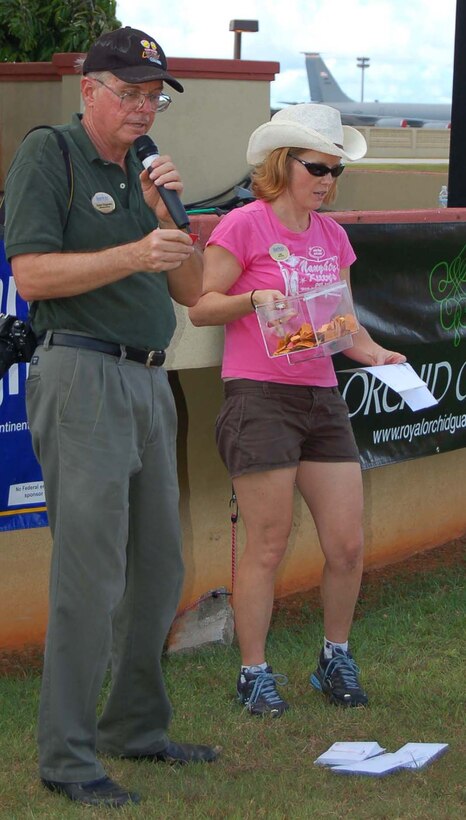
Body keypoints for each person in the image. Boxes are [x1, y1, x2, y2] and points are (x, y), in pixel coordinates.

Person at [4, 26, 218, 808]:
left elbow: (192, 291)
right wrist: (131, 254)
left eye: (153, 94)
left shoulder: (147, 171)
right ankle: (66, 757)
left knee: (158, 568)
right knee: (88, 578)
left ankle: (136, 727)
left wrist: (170, 213)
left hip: (149, 383)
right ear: (88, 89)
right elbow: (30, 273)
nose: (143, 106)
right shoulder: (49, 155)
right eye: (128, 92)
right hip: (82, 373)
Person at [189, 104, 406, 718]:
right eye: (318, 167)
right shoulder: (243, 226)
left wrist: (376, 355)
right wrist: (254, 297)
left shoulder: (332, 236)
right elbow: (203, 307)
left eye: (336, 171)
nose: (328, 181)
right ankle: (253, 672)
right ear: (284, 164)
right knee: (267, 543)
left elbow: (344, 326)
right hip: (259, 396)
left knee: (346, 545)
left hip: (321, 395)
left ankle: (335, 657)